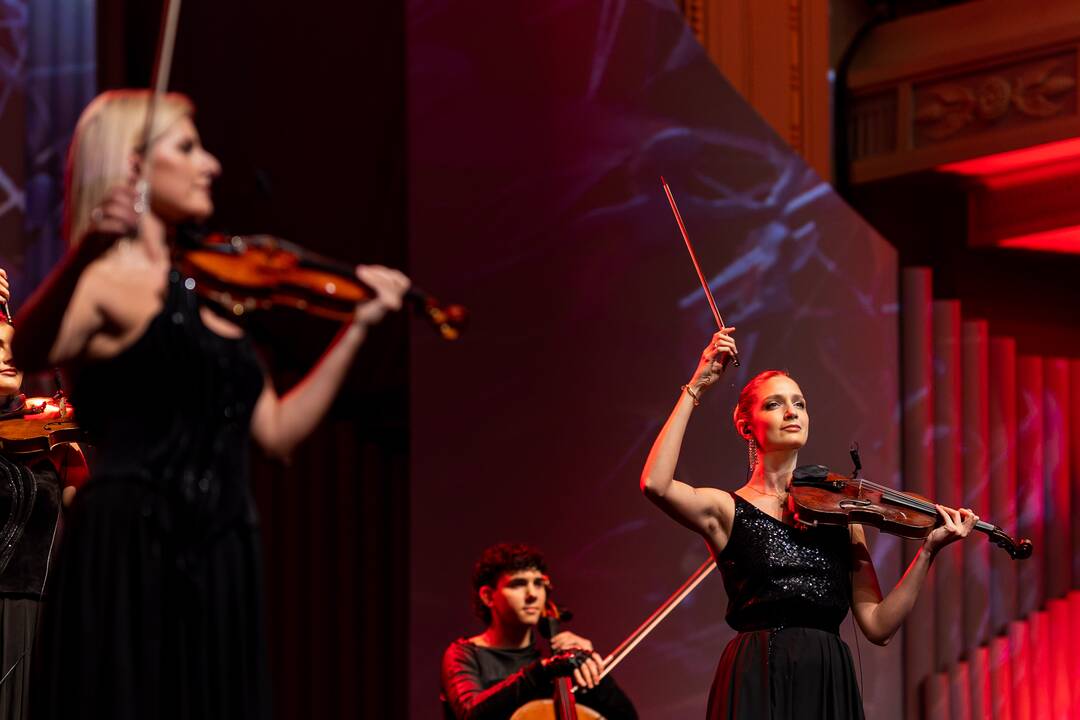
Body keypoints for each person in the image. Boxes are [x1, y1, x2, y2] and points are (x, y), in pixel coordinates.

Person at [13, 90, 409, 719]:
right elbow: (33, 349)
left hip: (224, 547)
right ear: (133, 165)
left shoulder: (214, 293)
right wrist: (86, 249)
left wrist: (357, 327)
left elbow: (276, 433)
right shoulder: (103, 282)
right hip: (131, 547)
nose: (212, 164)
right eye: (189, 147)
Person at [639, 329, 978, 719]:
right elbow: (655, 483)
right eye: (774, 404)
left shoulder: (842, 515)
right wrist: (697, 385)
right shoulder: (726, 509)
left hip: (826, 675)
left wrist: (928, 551)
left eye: (799, 403)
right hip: (756, 673)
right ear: (745, 424)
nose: (791, 412)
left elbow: (878, 626)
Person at [0, 270, 87, 719]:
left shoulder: (51, 433)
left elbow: (86, 527)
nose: (8, 355)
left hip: (34, 617)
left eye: (12, 343)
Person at [441, 542, 638, 720]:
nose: (533, 594)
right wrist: (543, 671)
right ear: (488, 596)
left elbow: (626, 717)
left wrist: (591, 671)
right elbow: (470, 714)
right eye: (518, 584)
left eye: (539, 583)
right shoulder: (464, 654)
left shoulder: (555, 662)